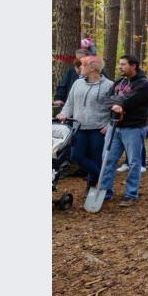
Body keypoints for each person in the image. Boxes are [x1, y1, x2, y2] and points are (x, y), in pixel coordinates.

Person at [98, 54, 148, 206]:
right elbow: (107, 100)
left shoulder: (143, 84)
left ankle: (131, 194)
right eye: (120, 64)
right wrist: (117, 104)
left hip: (134, 128)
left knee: (134, 162)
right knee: (107, 159)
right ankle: (104, 192)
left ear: (133, 65)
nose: (120, 67)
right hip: (114, 126)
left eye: (123, 64)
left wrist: (121, 104)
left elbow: (129, 102)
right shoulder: (119, 82)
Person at [56, 56, 113, 193]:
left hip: (98, 129)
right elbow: (70, 103)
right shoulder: (77, 83)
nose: (80, 67)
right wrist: (63, 114)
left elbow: (114, 107)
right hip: (79, 128)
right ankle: (102, 179)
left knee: (96, 159)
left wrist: (109, 124)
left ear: (92, 68)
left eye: (82, 65)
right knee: (76, 156)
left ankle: (93, 189)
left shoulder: (109, 85)